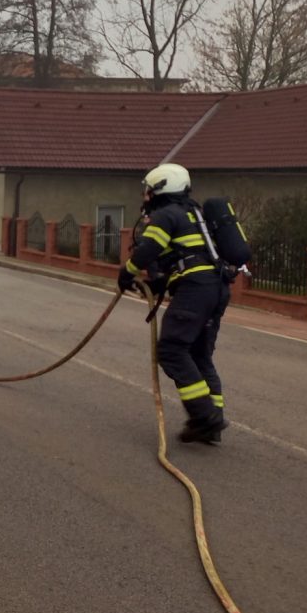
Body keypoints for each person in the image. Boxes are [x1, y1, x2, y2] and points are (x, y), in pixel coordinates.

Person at [117, 163, 228, 444]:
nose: (145, 197)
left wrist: (126, 272)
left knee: (172, 349)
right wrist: (160, 282)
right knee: (200, 355)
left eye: (149, 191)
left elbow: (148, 249)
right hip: (216, 287)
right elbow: (190, 257)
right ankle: (210, 426)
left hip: (195, 290)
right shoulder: (196, 214)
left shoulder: (167, 215)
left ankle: (205, 416)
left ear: (161, 189)